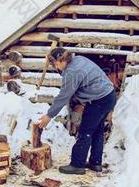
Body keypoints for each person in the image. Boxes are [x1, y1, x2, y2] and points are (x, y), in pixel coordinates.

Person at [37, 47, 117, 175]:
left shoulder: (72, 72)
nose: (55, 66)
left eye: (55, 63)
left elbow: (64, 95)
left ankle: (77, 165)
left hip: (100, 100)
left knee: (85, 131)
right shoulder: (77, 60)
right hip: (108, 96)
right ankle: (95, 163)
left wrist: (49, 115)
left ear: (61, 61)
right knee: (97, 130)